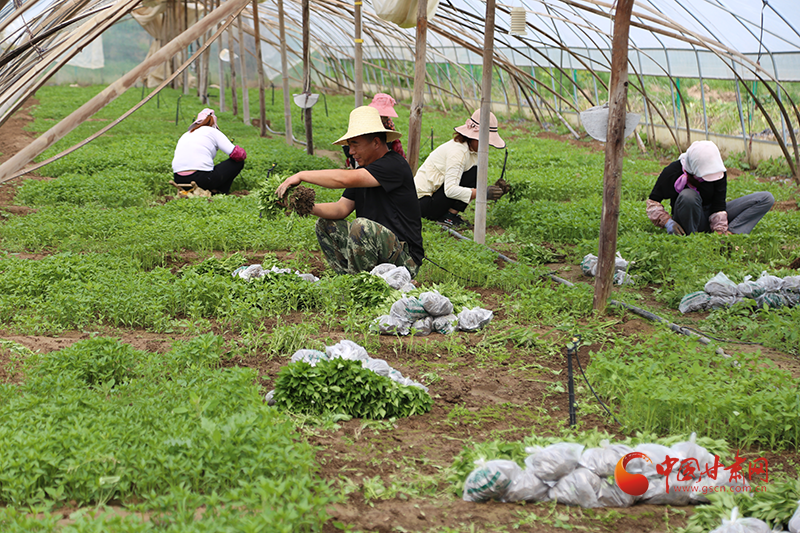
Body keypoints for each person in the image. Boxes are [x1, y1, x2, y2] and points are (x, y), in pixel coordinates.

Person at [276, 106, 423, 276]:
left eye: (355, 145)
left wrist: (301, 175)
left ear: (376, 142)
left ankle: (362, 283)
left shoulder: (394, 165)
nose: (351, 152)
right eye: (349, 146)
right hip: (376, 248)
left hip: (404, 260)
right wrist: (302, 205)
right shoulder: (364, 172)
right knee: (326, 224)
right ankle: (350, 278)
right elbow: (340, 209)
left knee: (361, 226)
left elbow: (344, 179)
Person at [647, 140, 774, 235]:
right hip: (687, 217)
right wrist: (667, 222)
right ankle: (691, 236)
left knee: (765, 198)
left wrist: (720, 231)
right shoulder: (673, 172)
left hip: (708, 216)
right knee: (688, 196)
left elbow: (718, 205)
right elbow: (653, 202)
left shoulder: (718, 171)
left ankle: (730, 233)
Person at [414, 109, 506, 228]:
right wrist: (483, 193)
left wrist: (495, 189)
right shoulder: (458, 152)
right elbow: (450, 190)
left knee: (475, 173)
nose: (486, 145)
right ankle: (447, 217)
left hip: (435, 198)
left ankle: (450, 216)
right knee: (472, 175)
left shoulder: (472, 151)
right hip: (422, 203)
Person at [171, 108, 247, 194]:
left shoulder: (186, 134)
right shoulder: (212, 131)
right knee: (237, 162)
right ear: (214, 124)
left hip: (178, 178)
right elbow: (238, 155)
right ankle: (220, 192)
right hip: (201, 178)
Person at [343, 93, 404, 168]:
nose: (381, 118)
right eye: (379, 115)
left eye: (383, 116)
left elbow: (396, 145)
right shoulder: (363, 124)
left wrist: (401, 159)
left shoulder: (388, 125)